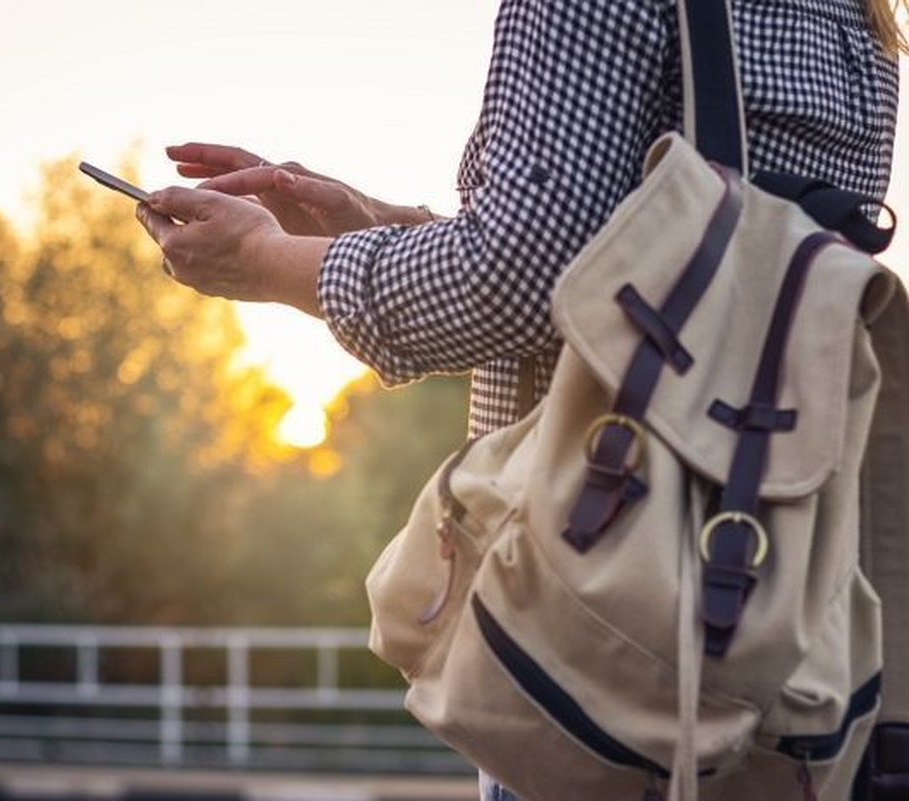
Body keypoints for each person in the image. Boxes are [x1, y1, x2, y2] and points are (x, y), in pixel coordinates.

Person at [136, 1, 902, 797]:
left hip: (602, 613)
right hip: (780, 595)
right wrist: (371, 226)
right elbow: (657, 250)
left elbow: (516, 278)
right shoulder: (862, 17)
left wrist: (268, 261)